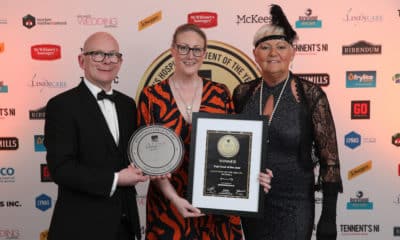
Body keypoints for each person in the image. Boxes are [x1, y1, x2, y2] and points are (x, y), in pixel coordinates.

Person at [232, 5, 343, 240]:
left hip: (295, 201)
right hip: (252, 200)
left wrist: (329, 216)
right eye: (265, 47)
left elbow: (330, 160)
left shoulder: (310, 94)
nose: (273, 53)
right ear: (255, 54)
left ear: (293, 53)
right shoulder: (242, 93)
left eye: (281, 46)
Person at [137, 23, 243, 240]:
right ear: (172, 50)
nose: (190, 55)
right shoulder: (151, 96)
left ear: (204, 53)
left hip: (216, 207)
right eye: (183, 48)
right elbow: (149, 158)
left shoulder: (220, 93)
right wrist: (174, 198)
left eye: (197, 49)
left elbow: (236, 148)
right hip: (167, 207)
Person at [44, 32, 148, 240]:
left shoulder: (128, 105)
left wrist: (156, 167)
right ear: (81, 60)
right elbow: (61, 169)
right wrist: (117, 179)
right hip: (80, 228)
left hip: (125, 226)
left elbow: (133, 155)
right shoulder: (61, 106)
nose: (106, 61)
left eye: (112, 55)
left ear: (120, 61)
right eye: (98, 54)